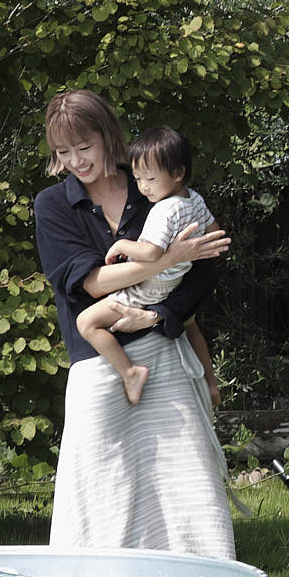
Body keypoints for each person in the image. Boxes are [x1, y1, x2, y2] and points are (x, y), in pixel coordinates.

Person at [33, 85, 237, 557]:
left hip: (164, 347)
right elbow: (91, 283)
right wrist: (169, 258)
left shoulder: (154, 183)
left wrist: (160, 314)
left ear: (107, 136)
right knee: (100, 488)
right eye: (63, 152)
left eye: (84, 147)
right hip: (97, 363)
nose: (76, 161)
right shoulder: (52, 205)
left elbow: (205, 266)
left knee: (187, 484)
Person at [74, 123, 220, 412]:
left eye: (150, 179)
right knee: (190, 323)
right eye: (138, 178)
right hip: (175, 283)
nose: (143, 187)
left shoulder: (164, 209)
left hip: (147, 288)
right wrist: (186, 256)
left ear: (177, 173)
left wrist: (121, 245)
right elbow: (214, 234)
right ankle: (211, 382)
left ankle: (130, 373)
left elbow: (151, 253)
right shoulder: (194, 199)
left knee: (86, 323)